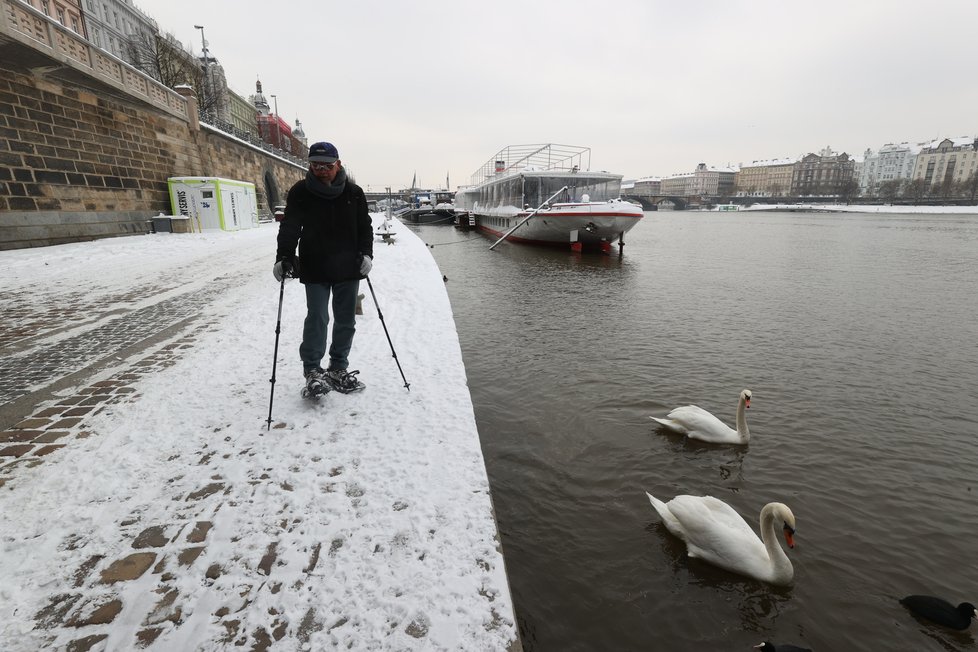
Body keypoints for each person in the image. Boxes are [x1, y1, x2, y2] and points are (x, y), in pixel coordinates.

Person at [273, 141, 373, 396]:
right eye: (316, 165)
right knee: (317, 318)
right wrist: (283, 256)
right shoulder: (300, 192)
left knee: (346, 320)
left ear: (338, 164)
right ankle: (313, 370)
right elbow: (290, 227)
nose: (322, 170)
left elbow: (365, 228)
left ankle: (338, 367)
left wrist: (367, 255)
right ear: (310, 165)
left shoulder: (354, 192)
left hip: (348, 267)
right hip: (315, 265)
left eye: (327, 165)